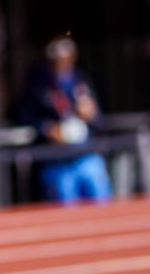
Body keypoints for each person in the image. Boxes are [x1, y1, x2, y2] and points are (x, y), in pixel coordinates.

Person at [16, 35, 111, 205]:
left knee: (100, 196)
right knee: (65, 204)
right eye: (56, 58)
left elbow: (99, 120)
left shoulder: (82, 81)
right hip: (57, 159)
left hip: (84, 154)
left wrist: (92, 114)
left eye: (65, 57)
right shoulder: (38, 86)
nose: (61, 62)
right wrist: (48, 129)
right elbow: (23, 117)